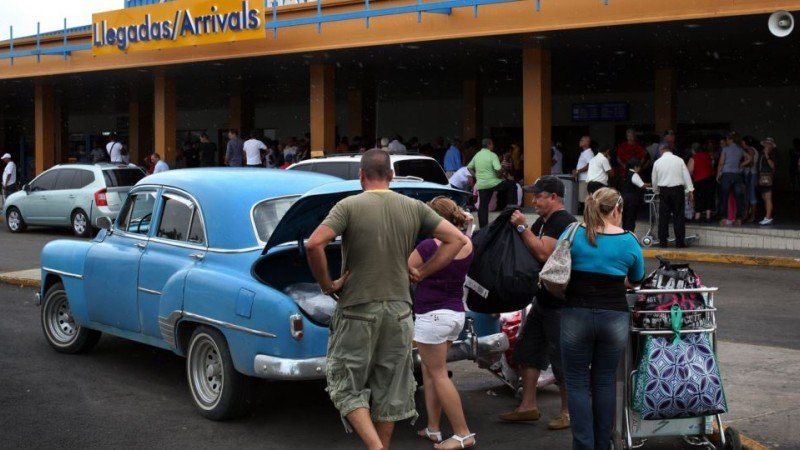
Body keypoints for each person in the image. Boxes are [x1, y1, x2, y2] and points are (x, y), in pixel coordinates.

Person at [305, 149, 468, 450]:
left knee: (345, 385)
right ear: (392, 176)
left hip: (357, 308)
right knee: (390, 388)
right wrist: (421, 272)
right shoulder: (413, 207)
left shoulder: (348, 205)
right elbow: (457, 239)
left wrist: (328, 285)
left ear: (361, 176)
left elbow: (314, 243)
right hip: (400, 312)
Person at [560, 187, 645, 450]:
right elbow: (637, 279)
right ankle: (602, 444)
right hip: (614, 317)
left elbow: (557, 264)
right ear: (617, 209)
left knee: (576, 381)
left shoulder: (574, 233)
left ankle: (583, 445)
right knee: (604, 380)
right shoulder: (629, 240)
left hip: (576, 314)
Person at [499, 176, 576, 431]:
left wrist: (522, 228)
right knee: (527, 350)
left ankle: (568, 412)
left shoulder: (562, 221)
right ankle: (528, 406)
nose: (535, 201)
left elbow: (543, 252)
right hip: (542, 300)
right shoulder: (544, 221)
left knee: (562, 358)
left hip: (559, 304)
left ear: (553, 197)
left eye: (539, 196)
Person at [409, 197, 476, 450]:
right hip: (455, 314)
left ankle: (462, 433)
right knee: (430, 371)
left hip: (432, 315)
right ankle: (434, 428)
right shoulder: (467, 243)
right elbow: (467, 227)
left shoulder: (428, 246)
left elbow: (405, 270)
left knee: (437, 374)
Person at [468, 138, 518, 228]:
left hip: (482, 184)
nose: (493, 146)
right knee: (512, 185)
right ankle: (512, 209)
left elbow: (469, 167)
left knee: (483, 206)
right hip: (493, 183)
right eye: (492, 144)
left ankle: (483, 228)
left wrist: (477, 177)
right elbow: (498, 170)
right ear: (490, 144)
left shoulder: (477, 155)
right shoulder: (492, 155)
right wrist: (503, 167)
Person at [652, 144, 694, 248]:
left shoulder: (657, 162)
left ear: (662, 150)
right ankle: (680, 242)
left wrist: (656, 190)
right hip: (678, 190)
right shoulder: (679, 160)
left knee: (663, 217)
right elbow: (686, 175)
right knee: (678, 216)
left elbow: (654, 179)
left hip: (664, 191)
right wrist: (690, 190)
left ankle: (663, 242)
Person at [716, 132, 751, 226]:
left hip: (726, 174)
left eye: (727, 139)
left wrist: (718, 174)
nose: (726, 141)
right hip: (737, 175)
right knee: (738, 198)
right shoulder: (740, 149)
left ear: (730, 139)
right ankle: (739, 219)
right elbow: (749, 158)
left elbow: (721, 163)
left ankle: (723, 218)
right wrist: (741, 165)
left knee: (724, 197)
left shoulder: (725, 149)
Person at [687, 143, 715, 223]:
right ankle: (708, 217)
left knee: (699, 198)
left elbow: (689, 171)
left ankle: (697, 217)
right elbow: (712, 165)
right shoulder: (707, 155)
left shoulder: (693, 158)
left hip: (699, 180)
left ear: (693, 150)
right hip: (710, 179)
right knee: (709, 197)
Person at [621, 158, 647, 232]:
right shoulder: (634, 174)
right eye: (639, 167)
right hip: (631, 199)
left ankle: (624, 232)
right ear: (636, 167)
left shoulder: (626, 173)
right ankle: (629, 234)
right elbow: (642, 185)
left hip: (624, 198)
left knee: (625, 218)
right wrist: (650, 184)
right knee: (631, 218)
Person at [741, 137, 760, 223]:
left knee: (751, 195)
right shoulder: (753, 149)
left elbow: (750, 161)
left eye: (742, 143)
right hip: (752, 173)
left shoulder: (750, 150)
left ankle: (752, 215)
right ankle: (749, 215)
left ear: (745, 143)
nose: (741, 144)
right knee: (749, 194)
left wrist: (741, 165)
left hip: (750, 173)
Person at [758, 138, 777, 225]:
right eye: (766, 143)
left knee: (768, 197)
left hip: (768, 177)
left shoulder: (772, 154)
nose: (767, 145)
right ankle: (767, 216)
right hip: (762, 177)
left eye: (769, 144)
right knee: (764, 197)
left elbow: (773, 166)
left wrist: (767, 155)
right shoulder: (761, 153)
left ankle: (768, 217)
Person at [572, 136, 594, 208]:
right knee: (582, 199)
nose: (580, 141)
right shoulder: (584, 152)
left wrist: (578, 171)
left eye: (582, 140)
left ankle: (586, 216)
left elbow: (589, 165)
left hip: (585, 179)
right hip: (582, 179)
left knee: (585, 200)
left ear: (587, 142)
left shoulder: (589, 153)